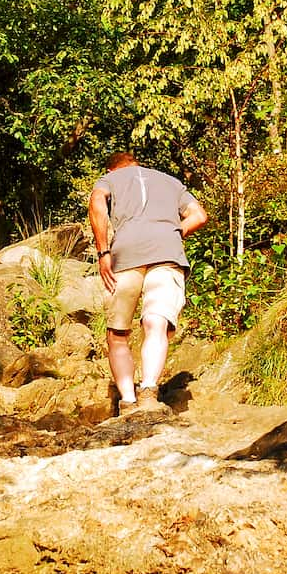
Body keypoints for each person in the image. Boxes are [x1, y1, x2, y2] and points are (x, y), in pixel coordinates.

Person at [88, 151, 208, 416]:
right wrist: (175, 233)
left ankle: (128, 402)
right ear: (137, 164)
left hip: (125, 255)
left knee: (118, 333)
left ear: (111, 170)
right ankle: (149, 392)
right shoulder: (170, 181)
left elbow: (97, 203)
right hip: (167, 253)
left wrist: (103, 252)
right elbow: (199, 215)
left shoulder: (109, 180)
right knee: (156, 321)